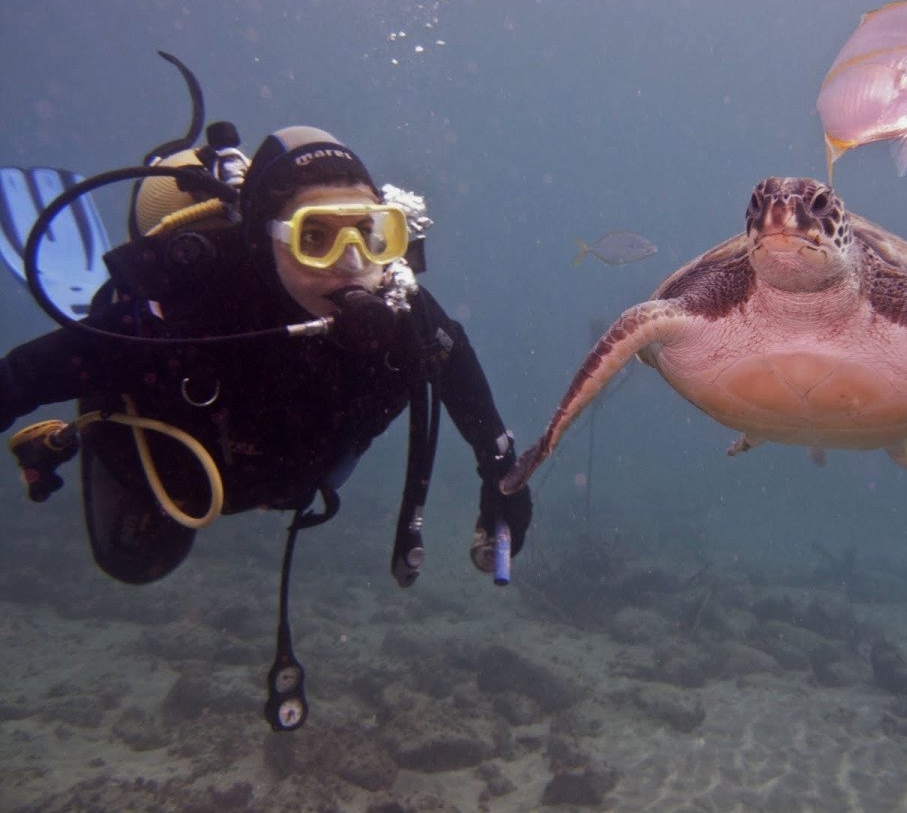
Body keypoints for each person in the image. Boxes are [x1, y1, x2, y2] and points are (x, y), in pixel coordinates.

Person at [0, 119, 533, 728]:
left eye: (370, 232)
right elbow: (17, 378)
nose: (353, 263)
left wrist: (502, 476)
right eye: (316, 239)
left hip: (292, 473)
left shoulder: (403, 309)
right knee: (136, 561)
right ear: (263, 242)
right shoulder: (186, 318)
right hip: (180, 471)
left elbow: (456, 361)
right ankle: (87, 426)